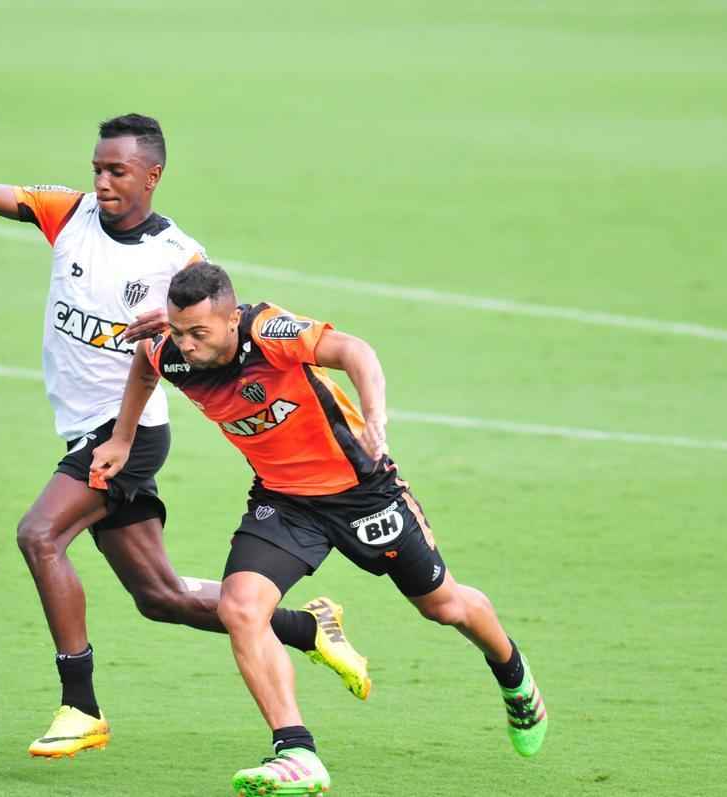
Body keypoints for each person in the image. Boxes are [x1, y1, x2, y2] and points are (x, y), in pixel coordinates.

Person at [0, 115, 369, 760]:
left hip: (127, 434)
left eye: (116, 171)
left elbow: (226, 330)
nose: (102, 181)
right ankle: (307, 626)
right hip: (85, 429)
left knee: (40, 535)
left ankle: (80, 706)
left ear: (152, 176)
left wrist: (173, 328)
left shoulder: (179, 257)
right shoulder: (67, 214)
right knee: (160, 597)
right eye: (97, 167)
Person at [92, 263, 548, 793]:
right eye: (178, 330)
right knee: (240, 607)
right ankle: (296, 753)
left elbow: (357, 352)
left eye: (199, 333)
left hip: (363, 492)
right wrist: (123, 439)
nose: (187, 346)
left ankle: (513, 675)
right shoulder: (168, 350)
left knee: (443, 606)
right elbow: (145, 368)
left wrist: (375, 415)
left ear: (231, 320)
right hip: (284, 503)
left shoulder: (269, 332)